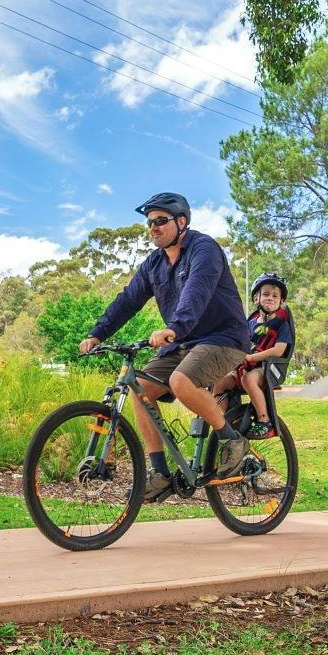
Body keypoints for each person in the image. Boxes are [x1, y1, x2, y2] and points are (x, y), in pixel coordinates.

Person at [79, 193, 252, 499]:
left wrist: (174, 327)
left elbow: (196, 292)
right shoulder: (154, 264)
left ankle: (231, 439)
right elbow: (128, 300)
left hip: (223, 338)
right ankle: (159, 473)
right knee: (140, 388)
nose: (153, 228)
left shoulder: (203, 249)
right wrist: (97, 334)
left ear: (181, 222)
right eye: (149, 223)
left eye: (160, 221)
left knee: (181, 380)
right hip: (184, 342)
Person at [230, 272, 293, 439]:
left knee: (248, 379)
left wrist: (252, 358)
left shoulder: (281, 325)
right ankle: (227, 420)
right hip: (246, 366)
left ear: (282, 301)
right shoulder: (248, 324)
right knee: (219, 381)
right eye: (265, 294)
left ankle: (264, 420)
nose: (270, 298)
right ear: (256, 299)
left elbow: (279, 350)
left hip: (268, 368)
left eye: (275, 296)